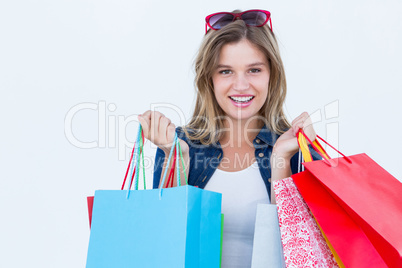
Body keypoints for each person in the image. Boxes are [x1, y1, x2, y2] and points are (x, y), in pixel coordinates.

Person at [138, 9, 320, 268]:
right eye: (226, 71)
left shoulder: (298, 150)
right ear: (209, 79)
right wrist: (177, 158)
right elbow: (166, 250)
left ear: (272, 74)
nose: (241, 85)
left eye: (254, 70)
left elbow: (303, 253)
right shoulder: (180, 145)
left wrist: (281, 160)